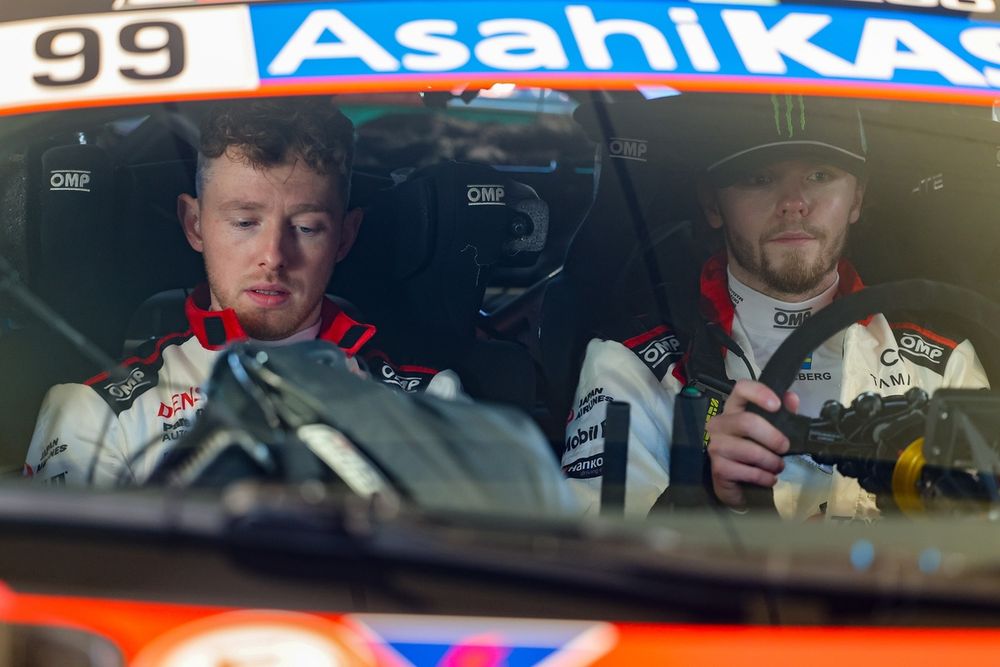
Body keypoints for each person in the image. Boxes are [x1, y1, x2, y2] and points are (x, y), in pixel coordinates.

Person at [561, 93, 988, 519]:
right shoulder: (631, 369)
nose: (794, 203)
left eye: (820, 175)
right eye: (759, 178)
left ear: (857, 199)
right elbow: (597, 560)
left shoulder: (943, 369)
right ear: (713, 204)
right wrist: (708, 493)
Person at [24, 97, 459, 486]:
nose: (273, 256)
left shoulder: (432, 402)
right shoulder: (97, 412)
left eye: (307, 228)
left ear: (344, 237)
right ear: (195, 224)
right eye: (245, 223)